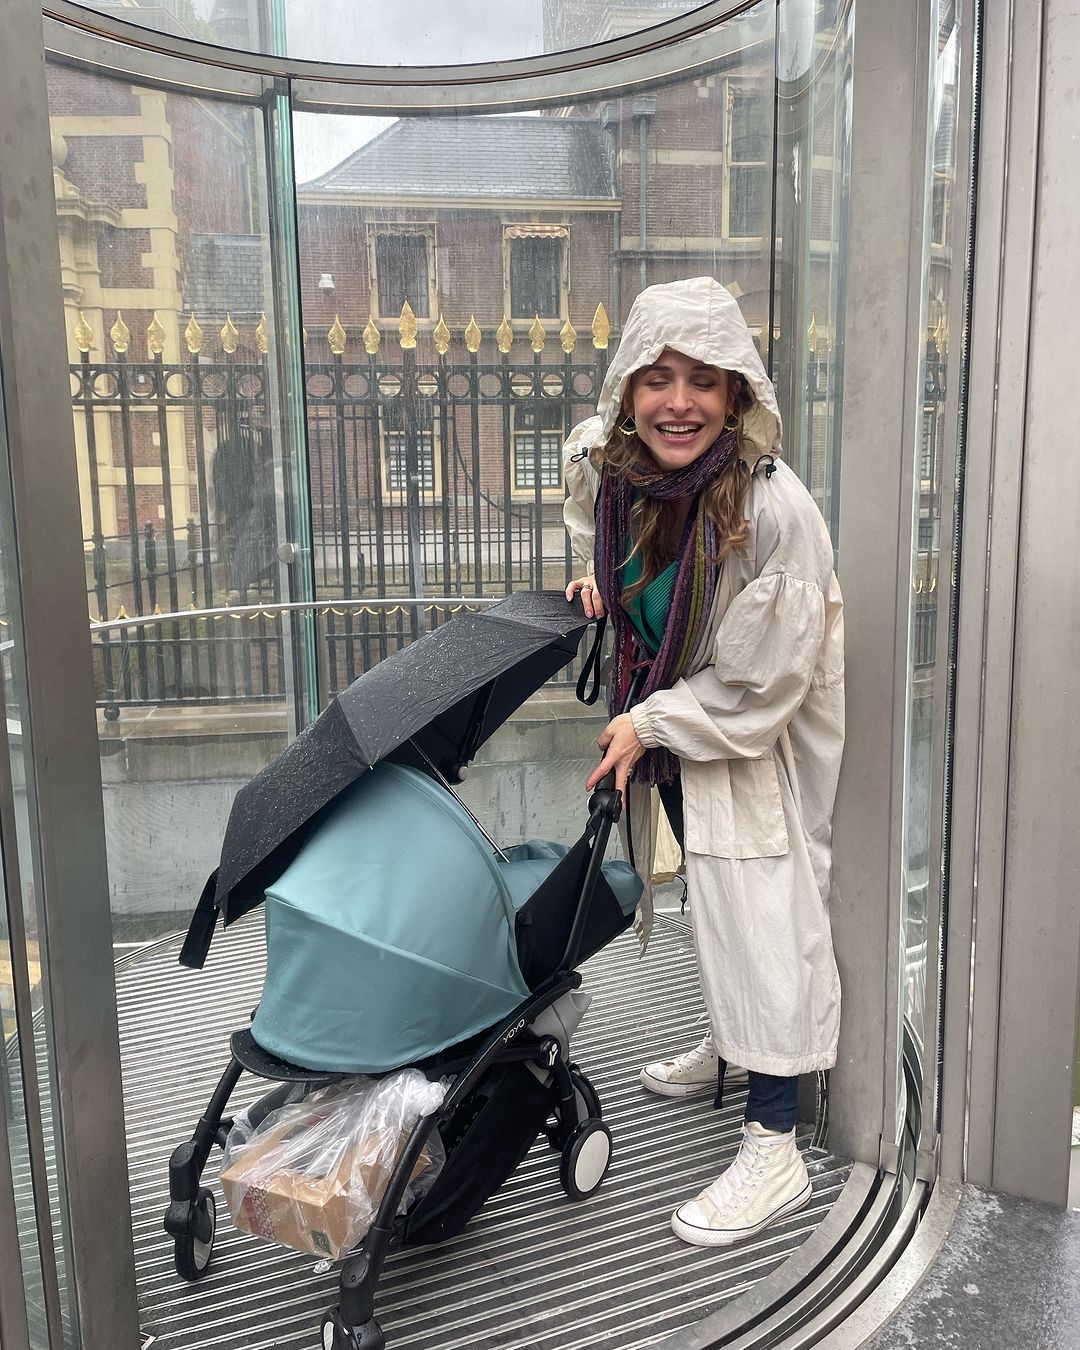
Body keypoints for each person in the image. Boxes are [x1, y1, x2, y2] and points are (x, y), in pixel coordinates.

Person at [562, 276, 844, 1248]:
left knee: (762, 914)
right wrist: (593, 578)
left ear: (735, 395)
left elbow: (762, 688)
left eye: (703, 381)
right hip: (684, 725)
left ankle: (775, 1145)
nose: (678, 402)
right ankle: (732, 1042)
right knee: (711, 897)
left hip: (747, 736)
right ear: (628, 392)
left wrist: (650, 723)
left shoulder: (772, 510)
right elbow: (592, 529)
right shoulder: (615, 472)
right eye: (658, 378)